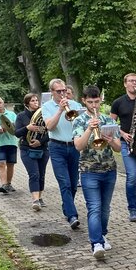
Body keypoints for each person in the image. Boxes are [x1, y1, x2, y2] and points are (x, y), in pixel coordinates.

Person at [72, 85, 122, 260]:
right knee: (94, 207)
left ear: (100, 100)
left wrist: (110, 140)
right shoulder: (78, 120)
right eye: (90, 102)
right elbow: (78, 146)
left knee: (105, 209)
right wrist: (89, 129)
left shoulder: (108, 120)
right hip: (89, 171)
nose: (94, 105)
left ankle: (102, 234)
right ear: (84, 101)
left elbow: (118, 148)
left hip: (109, 169)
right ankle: (96, 243)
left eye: (97, 101)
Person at [42, 78, 83, 229]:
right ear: (52, 92)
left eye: (64, 90)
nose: (62, 93)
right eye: (58, 91)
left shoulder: (76, 105)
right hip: (57, 147)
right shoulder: (46, 106)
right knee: (64, 183)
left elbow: (81, 124)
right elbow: (50, 127)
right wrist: (60, 109)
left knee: (73, 184)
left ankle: (67, 208)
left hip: (73, 147)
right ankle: (72, 216)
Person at [110, 73, 136, 222]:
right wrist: (122, 133)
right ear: (125, 84)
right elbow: (111, 124)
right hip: (126, 143)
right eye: (131, 81)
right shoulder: (118, 102)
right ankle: (132, 209)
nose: (134, 83)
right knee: (132, 176)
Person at [14, 93, 50, 211]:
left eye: (36, 100)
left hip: (42, 148)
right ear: (27, 103)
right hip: (27, 148)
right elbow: (17, 133)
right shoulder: (21, 116)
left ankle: (40, 197)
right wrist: (27, 128)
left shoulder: (44, 114)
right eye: (33, 101)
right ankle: (35, 200)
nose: (36, 103)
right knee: (34, 174)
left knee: (42, 174)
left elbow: (50, 132)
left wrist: (40, 142)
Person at [0, 96, 18, 194]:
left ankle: (8, 183)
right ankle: (3, 185)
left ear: (3, 103)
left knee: (10, 164)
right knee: (1, 164)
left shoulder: (12, 114)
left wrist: (11, 125)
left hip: (11, 142)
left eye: (0, 102)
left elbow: (18, 126)